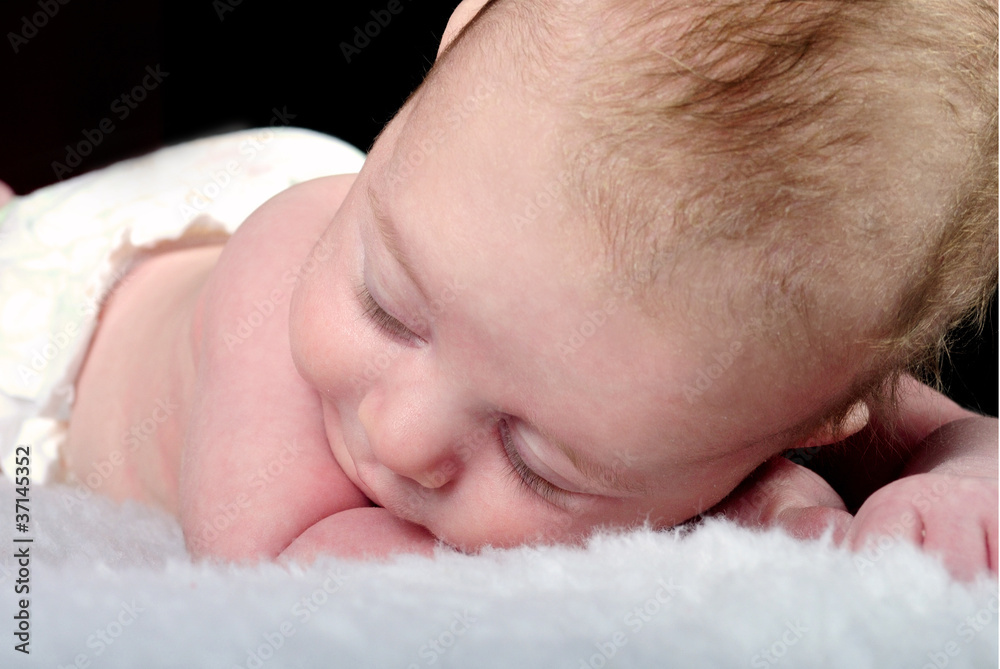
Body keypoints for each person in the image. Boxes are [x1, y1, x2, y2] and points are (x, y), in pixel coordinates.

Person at [1, 0, 996, 580]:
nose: (401, 437)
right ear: (453, 39)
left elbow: (965, 435)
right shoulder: (279, 282)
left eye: (536, 457)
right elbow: (289, 568)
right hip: (78, 327)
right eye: (387, 312)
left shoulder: (755, 364)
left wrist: (960, 486)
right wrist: (739, 524)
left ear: (809, 417)